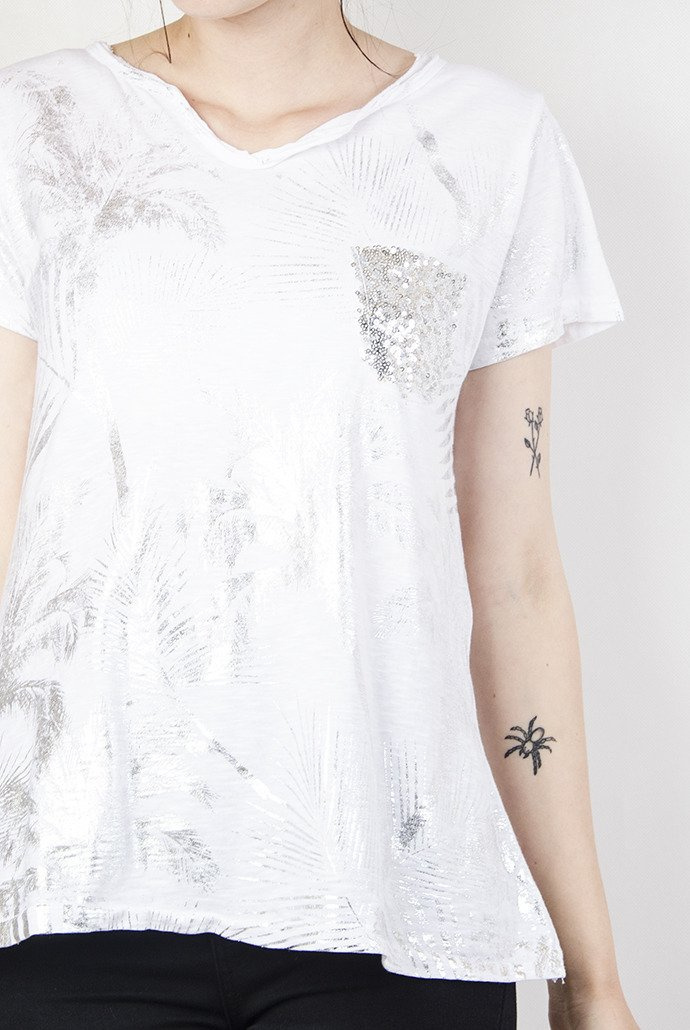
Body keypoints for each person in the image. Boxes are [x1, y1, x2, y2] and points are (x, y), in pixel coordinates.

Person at [0, 1, 639, 1027]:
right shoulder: (35, 124)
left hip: (402, 908)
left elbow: (515, 580)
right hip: (71, 896)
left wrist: (591, 976)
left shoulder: (486, 144)